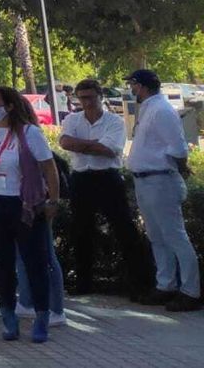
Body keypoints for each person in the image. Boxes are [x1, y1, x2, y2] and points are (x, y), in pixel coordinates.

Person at [0, 86, 60, 343]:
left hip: (25, 205)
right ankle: (8, 315)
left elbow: (49, 168)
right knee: (2, 264)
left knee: (35, 264)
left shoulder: (29, 133)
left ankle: (41, 316)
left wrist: (53, 200)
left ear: (9, 106)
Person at [58, 78, 150, 300]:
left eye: (91, 97)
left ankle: (139, 283)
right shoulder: (72, 119)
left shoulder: (114, 121)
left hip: (107, 178)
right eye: (82, 98)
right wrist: (94, 145)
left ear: (100, 96)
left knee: (124, 229)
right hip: (81, 178)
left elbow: (110, 150)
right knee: (81, 231)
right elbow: (65, 142)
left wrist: (80, 145)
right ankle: (84, 282)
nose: (87, 102)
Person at [124, 69, 201, 311]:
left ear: (141, 86)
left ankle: (191, 291)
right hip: (145, 181)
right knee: (156, 236)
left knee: (175, 236)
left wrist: (182, 168)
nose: (131, 90)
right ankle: (165, 285)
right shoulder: (148, 108)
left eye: (132, 85)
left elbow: (178, 148)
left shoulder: (162, 110)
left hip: (160, 180)